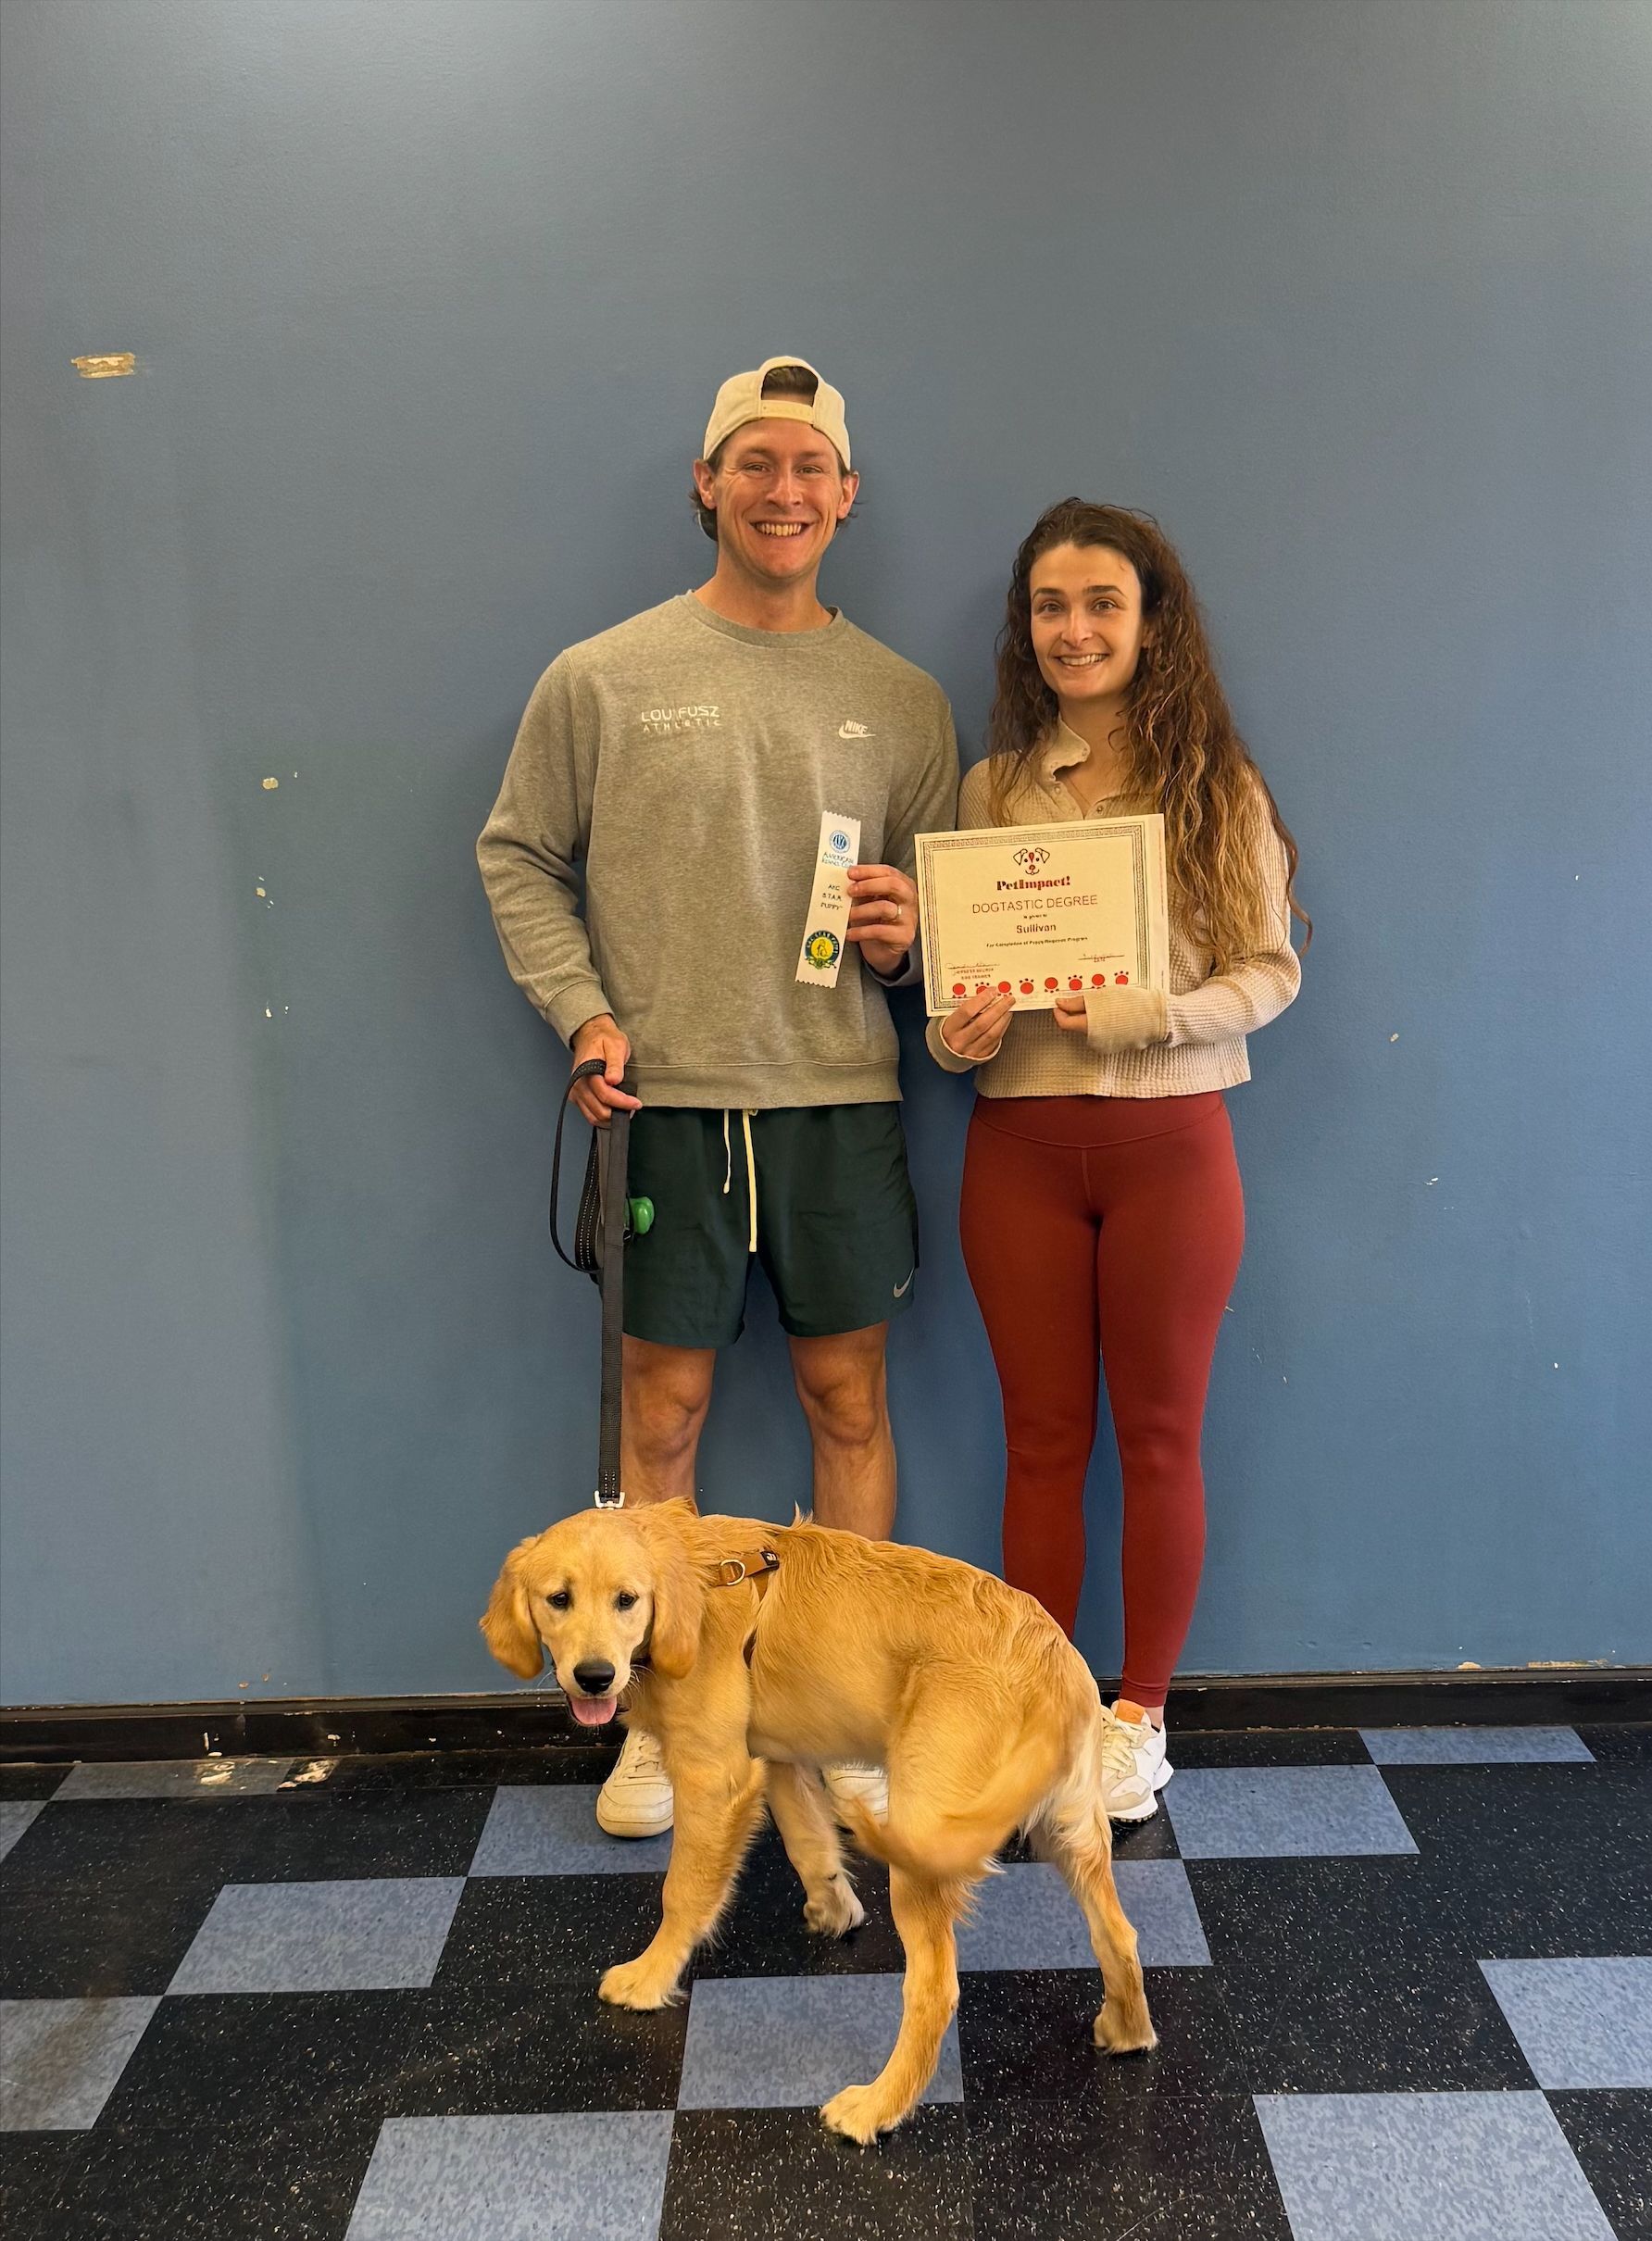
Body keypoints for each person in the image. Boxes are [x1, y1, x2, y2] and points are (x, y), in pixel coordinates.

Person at [478, 357, 957, 1836]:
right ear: (708, 486)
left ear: (848, 496)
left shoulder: (902, 697)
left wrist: (907, 935)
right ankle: (658, 1723)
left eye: (811, 467)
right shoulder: (601, 676)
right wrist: (585, 1013)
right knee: (663, 1423)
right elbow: (517, 854)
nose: (784, 491)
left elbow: (937, 916)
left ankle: (846, 1715)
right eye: (755, 464)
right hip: (664, 1113)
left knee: (848, 1403)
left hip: (837, 1107)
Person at [929, 498, 1307, 1822]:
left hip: (1170, 1147)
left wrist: (1149, 1013)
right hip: (1018, 1148)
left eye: (1102, 605)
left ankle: (1137, 1715)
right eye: (1050, 607)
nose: (1075, 630)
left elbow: (1272, 973)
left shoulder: (1217, 781)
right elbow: (963, 1001)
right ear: (1023, 629)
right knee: (1038, 1440)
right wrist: (957, 1028)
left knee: (1158, 1439)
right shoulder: (988, 790)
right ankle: (1043, 1710)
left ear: (1153, 625)